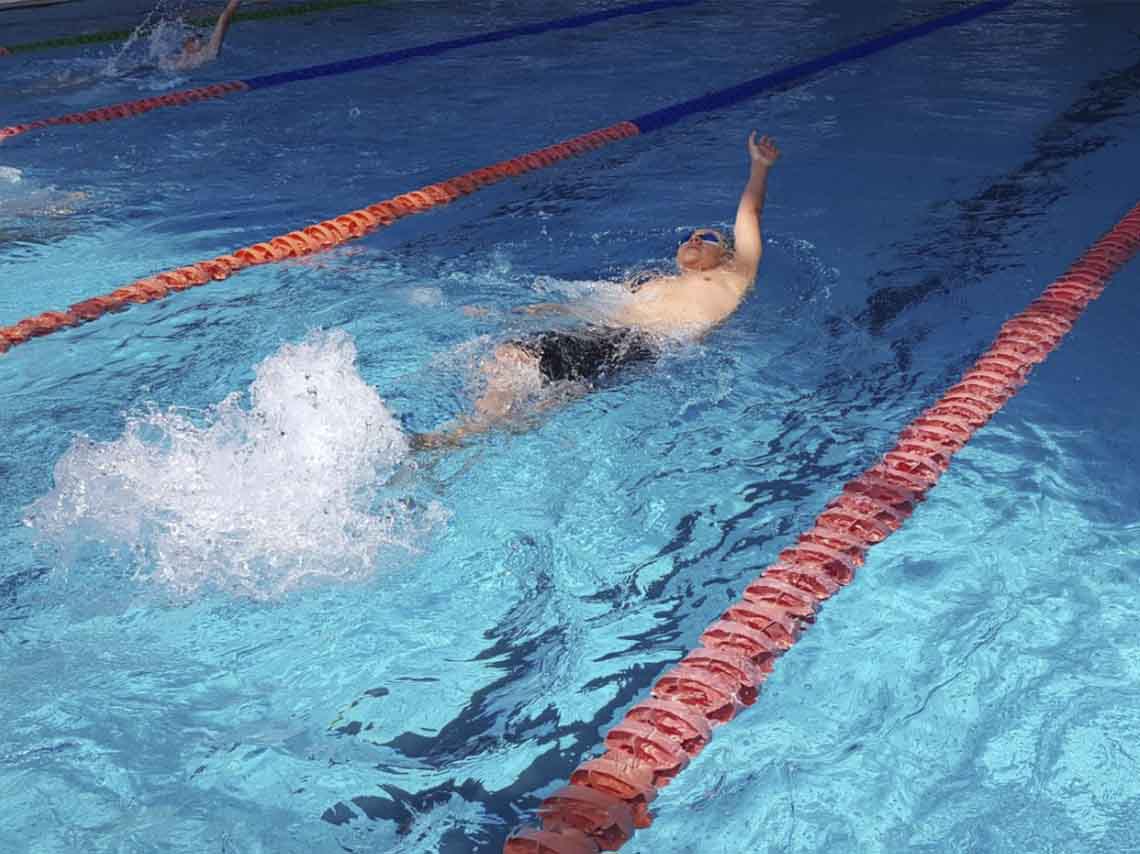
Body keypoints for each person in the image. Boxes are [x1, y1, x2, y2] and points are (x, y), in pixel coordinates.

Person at [413, 131, 781, 450]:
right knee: (544, 390)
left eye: (708, 237)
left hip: (648, 343)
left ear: (728, 253)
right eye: (688, 236)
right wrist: (516, 313)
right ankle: (474, 436)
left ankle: (459, 436)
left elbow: (750, 214)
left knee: (513, 357)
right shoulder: (653, 283)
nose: (695, 238)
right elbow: (594, 307)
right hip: (617, 340)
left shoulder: (734, 275)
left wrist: (759, 168)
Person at [164, 0, 243, 71]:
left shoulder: (209, 52)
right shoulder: (177, 60)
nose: (199, 41)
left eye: (197, 38)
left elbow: (225, 18)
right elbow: (225, 17)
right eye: (193, 39)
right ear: (186, 46)